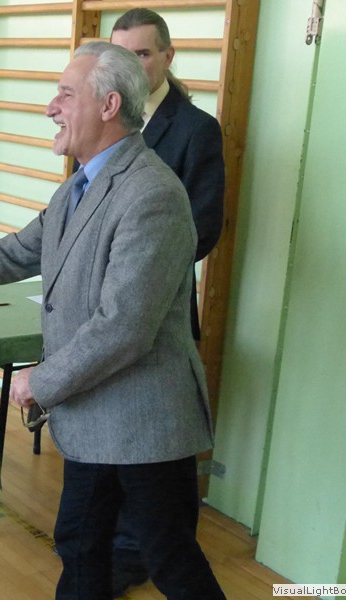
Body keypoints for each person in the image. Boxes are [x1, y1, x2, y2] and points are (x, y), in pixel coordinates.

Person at [0, 41, 225, 600]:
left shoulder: (152, 194)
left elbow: (124, 326)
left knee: (170, 559)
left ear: (108, 105)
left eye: (65, 94)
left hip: (143, 424)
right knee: (79, 544)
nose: (50, 107)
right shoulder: (78, 188)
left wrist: (42, 380)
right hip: (92, 414)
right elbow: (13, 253)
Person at [108, 9, 226, 596]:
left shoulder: (195, 129)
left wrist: (136, 267)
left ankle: (139, 553)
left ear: (168, 57)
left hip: (158, 308)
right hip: (104, 306)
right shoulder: (106, 117)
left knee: (149, 447)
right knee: (111, 432)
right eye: (121, 55)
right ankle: (110, 544)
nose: (131, 66)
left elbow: (202, 228)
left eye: (143, 54)